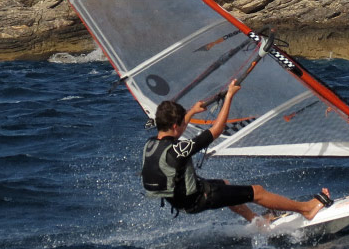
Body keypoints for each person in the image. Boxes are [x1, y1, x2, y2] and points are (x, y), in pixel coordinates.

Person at [141, 79, 333, 223]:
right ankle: (306, 209)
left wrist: (190, 112)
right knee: (257, 192)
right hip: (198, 199)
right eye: (183, 122)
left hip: (180, 201)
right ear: (176, 125)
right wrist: (230, 96)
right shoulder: (179, 150)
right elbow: (216, 130)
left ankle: (255, 220)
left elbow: (175, 131)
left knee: (224, 183)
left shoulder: (151, 144)